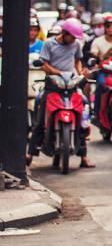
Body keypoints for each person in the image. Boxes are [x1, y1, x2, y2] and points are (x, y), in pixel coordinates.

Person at [26, 18, 94, 168]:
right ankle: (30, 153)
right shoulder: (49, 43)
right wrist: (58, 73)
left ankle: (83, 156)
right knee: (40, 114)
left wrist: (80, 72)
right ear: (64, 33)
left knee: (83, 112)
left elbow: (77, 60)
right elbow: (43, 64)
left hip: (71, 84)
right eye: (72, 36)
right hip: (52, 85)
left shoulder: (76, 44)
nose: (73, 40)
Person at [89, 14, 112, 121]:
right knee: (100, 85)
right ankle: (96, 113)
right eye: (108, 26)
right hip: (103, 71)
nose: (110, 29)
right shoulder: (97, 41)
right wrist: (95, 61)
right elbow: (93, 55)